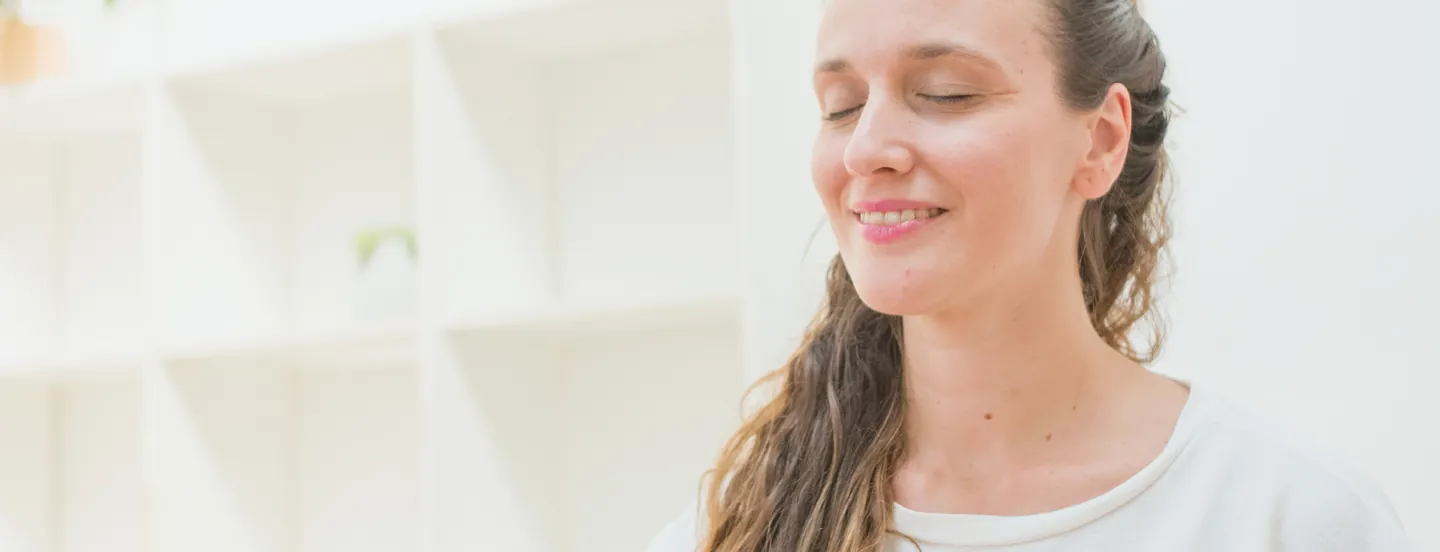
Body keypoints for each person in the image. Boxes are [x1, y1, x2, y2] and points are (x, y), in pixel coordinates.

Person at [644, 0, 1416, 550]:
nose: (865, 148)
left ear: (1100, 142)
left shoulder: (1290, 519)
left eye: (946, 93)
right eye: (841, 106)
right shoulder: (739, 523)